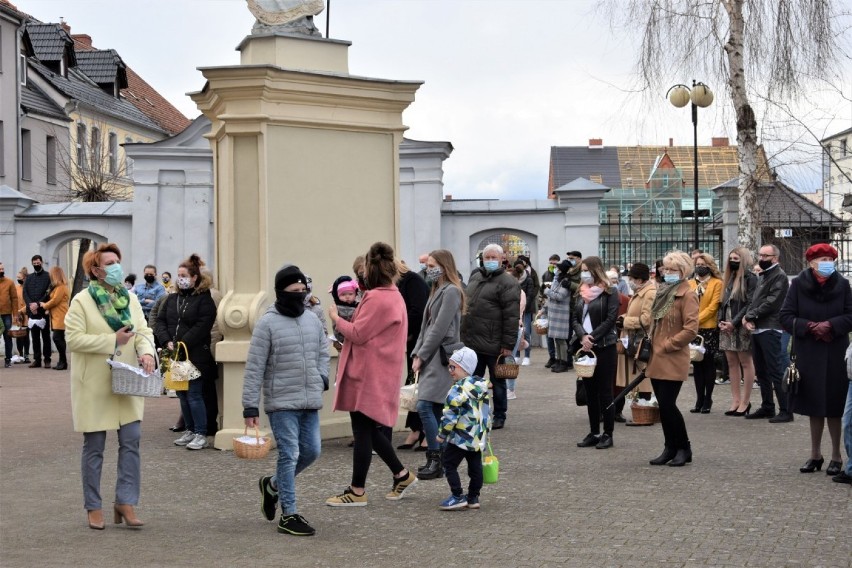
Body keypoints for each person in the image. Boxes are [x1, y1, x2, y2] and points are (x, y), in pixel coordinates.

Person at [65, 243, 156, 530]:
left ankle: (125, 502)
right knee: (94, 447)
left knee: (132, 440)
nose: (117, 266)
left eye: (118, 260)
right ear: (96, 269)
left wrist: (147, 353)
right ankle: (93, 506)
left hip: (127, 381)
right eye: (111, 262)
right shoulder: (82, 301)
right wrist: (112, 341)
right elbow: (73, 339)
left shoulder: (129, 298)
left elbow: (142, 331)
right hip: (94, 385)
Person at [325, 242, 417, 506]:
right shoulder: (393, 294)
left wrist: (336, 317)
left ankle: (358, 491)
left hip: (367, 372)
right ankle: (400, 474)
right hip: (378, 371)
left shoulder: (378, 297)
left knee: (364, 430)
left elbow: (358, 333)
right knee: (368, 429)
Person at [243, 264, 329, 537]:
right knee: (289, 454)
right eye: (295, 291)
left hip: (309, 399)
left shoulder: (312, 319)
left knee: (312, 451)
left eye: (303, 290)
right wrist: (250, 405)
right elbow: (254, 366)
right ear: (281, 292)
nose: (300, 295)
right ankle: (289, 514)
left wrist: (322, 378)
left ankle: (272, 486)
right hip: (281, 402)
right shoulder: (267, 323)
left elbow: (322, 351)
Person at [779, 244, 852, 477]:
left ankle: (836, 456)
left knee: (834, 405)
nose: (827, 262)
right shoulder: (799, 284)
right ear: (811, 263)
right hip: (808, 350)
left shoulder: (843, 285)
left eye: (830, 258)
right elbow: (785, 316)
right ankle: (815, 454)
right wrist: (809, 326)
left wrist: (830, 325)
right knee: (813, 406)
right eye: (822, 258)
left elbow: (851, 315)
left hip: (835, 350)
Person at [411, 249, 465, 480]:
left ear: (443, 266)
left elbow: (439, 328)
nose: (428, 269)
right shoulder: (436, 290)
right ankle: (441, 458)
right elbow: (425, 327)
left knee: (424, 405)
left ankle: (436, 457)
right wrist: (417, 353)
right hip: (430, 355)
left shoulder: (451, 291)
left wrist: (421, 355)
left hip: (441, 356)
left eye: (432, 265)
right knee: (433, 407)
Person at [155, 254, 217, 451]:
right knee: (182, 393)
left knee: (195, 394)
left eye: (184, 275)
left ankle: (201, 432)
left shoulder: (204, 300)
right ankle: (190, 429)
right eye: (178, 275)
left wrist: (181, 342)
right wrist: (167, 341)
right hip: (176, 355)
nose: (180, 278)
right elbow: (160, 321)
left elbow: (202, 326)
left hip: (195, 355)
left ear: (194, 278)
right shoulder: (172, 299)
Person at [646, 251, 699, 467]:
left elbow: (691, 329)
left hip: (672, 356)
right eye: (665, 269)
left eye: (672, 269)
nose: (667, 272)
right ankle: (669, 447)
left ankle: (684, 448)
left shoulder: (688, 295)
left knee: (669, 405)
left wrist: (669, 345)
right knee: (663, 405)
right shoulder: (662, 291)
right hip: (656, 356)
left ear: (683, 272)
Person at [460, 244, 521, 430]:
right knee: (473, 381)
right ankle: (474, 412)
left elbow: (511, 316)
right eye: (487, 257)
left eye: (494, 257)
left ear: (502, 259)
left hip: (495, 343)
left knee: (498, 381)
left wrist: (508, 343)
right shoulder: (475, 276)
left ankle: (499, 415)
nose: (490, 261)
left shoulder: (508, 283)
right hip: (472, 341)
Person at [572, 256, 619, 449]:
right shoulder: (580, 293)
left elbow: (610, 319)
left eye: (586, 270)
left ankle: (608, 433)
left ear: (595, 270)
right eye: (581, 270)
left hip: (605, 346)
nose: (583, 274)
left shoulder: (610, 292)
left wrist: (593, 338)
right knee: (590, 392)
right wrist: (583, 336)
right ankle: (594, 432)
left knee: (605, 392)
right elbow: (574, 318)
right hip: (584, 346)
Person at [436, 347, 491, 510]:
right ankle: (474, 497)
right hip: (476, 436)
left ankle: (457, 495)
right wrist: (485, 432)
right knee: (475, 467)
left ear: (464, 368)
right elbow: (486, 412)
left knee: (448, 463)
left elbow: (450, 415)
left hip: (460, 436)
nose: (450, 370)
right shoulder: (481, 387)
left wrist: (442, 434)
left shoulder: (458, 389)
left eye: (453, 367)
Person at [743, 244, 791, 423]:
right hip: (758, 328)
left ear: (775, 258)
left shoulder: (779, 276)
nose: (761, 258)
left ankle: (786, 409)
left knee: (775, 370)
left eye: (766, 256)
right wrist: (748, 318)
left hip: (771, 328)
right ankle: (767, 406)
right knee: (761, 370)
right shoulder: (764, 275)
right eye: (760, 255)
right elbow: (755, 300)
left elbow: (772, 302)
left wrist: (749, 315)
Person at [718, 247, 758, 416]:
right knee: (731, 363)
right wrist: (721, 322)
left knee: (745, 362)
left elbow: (750, 303)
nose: (733, 261)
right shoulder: (728, 278)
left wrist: (733, 323)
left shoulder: (750, 278)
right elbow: (723, 303)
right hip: (726, 324)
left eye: (736, 258)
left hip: (741, 324)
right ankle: (735, 399)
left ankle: (745, 401)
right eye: (731, 258)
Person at [396, 261, 430, 451]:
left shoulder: (412, 281)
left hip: (419, 341)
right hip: (411, 342)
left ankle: (425, 430)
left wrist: (406, 330)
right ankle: (416, 428)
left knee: (420, 384)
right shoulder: (403, 282)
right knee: (413, 384)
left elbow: (417, 311)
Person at [615, 263, 656, 423]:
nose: (629, 281)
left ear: (639, 279)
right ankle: (636, 411)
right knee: (633, 379)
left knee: (642, 380)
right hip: (632, 340)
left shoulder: (649, 293)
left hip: (639, 341)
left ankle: (644, 413)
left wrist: (625, 321)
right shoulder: (639, 291)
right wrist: (623, 317)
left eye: (631, 278)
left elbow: (647, 319)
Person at [688, 253, 723, 413]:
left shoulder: (717, 283)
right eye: (697, 264)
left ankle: (708, 398)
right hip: (693, 328)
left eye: (703, 264)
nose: (699, 266)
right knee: (696, 364)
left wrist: (696, 319)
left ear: (709, 265)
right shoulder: (690, 283)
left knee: (708, 364)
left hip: (708, 327)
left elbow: (713, 306)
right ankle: (698, 398)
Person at [542, 259, 573, 373]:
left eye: (559, 268)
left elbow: (560, 296)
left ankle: (564, 363)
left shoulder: (565, 281)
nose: (556, 269)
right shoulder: (557, 279)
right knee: (556, 339)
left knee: (561, 340)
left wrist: (547, 291)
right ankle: (559, 361)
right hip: (554, 313)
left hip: (561, 313)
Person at [23, 255, 52, 368]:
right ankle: (37, 359)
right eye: (34, 263)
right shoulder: (29, 278)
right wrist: (31, 304)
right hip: (32, 311)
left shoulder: (48, 276)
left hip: (43, 310)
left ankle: (47, 359)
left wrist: (38, 303)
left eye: (38, 263)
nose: (36, 265)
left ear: (41, 262)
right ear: (32, 264)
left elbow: (48, 293)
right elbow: (25, 292)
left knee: (45, 336)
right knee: (34, 337)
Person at [40, 266, 70, 370]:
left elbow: (55, 301)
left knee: (57, 338)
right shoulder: (58, 287)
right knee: (59, 338)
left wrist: (44, 305)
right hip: (57, 315)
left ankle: (63, 361)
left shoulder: (61, 287)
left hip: (60, 315)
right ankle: (62, 361)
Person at [513, 258, 536, 366]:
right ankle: (517, 355)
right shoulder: (513, 279)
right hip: (515, 311)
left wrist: (523, 305)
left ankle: (527, 356)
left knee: (526, 332)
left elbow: (530, 295)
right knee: (517, 333)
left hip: (526, 310)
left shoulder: (528, 279)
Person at [540, 254, 560, 368]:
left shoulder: (561, 276)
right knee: (548, 335)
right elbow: (542, 291)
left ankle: (559, 358)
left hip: (557, 308)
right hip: (546, 308)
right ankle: (551, 357)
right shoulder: (545, 275)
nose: (553, 265)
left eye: (555, 263)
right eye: (551, 263)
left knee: (557, 336)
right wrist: (541, 306)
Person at [329, 277, 359, 345]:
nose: (347, 297)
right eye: (343, 294)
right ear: (337, 296)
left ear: (355, 294)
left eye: (350, 294)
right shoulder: (338, 308)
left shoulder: (358, 305)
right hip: (343, 337)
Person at [0, 262, 19, 368]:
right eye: (0, 269)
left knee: (7, 337)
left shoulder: (10, 282)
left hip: (6, 314)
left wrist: (15, 314)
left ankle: (8, 359)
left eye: (2, 269)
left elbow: (14, 298)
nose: (1, 271)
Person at [14, 267, 30, 363]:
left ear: (24, 278)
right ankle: (20, 354)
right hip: (18, 315)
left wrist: (22, 310)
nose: (18, 279)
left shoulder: (28, 288)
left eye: (19, 277)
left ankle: (26, 355)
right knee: (18, 335)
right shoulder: (16, 288)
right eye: (17, 277)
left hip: (26, 314)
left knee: (26, 335)